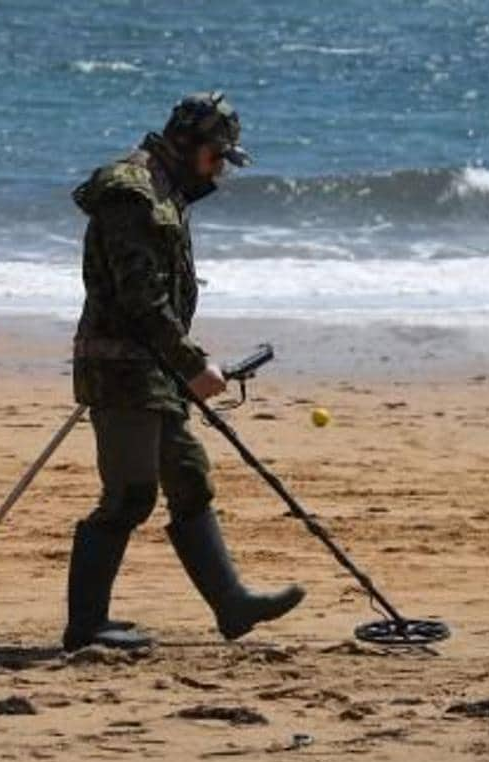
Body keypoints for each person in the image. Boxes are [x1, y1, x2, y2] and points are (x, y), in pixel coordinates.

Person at [63, 91, 306, 651]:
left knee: (190, 478)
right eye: (216, 156)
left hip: (154, 368)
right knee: (129, 496)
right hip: (122, 369)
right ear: (188, 144)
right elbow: (140, 299)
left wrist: (183, 365)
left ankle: (233, 605)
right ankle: (85, 626)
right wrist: (192, 365)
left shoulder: (164, 189)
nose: (219, 168)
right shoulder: (132, 192)